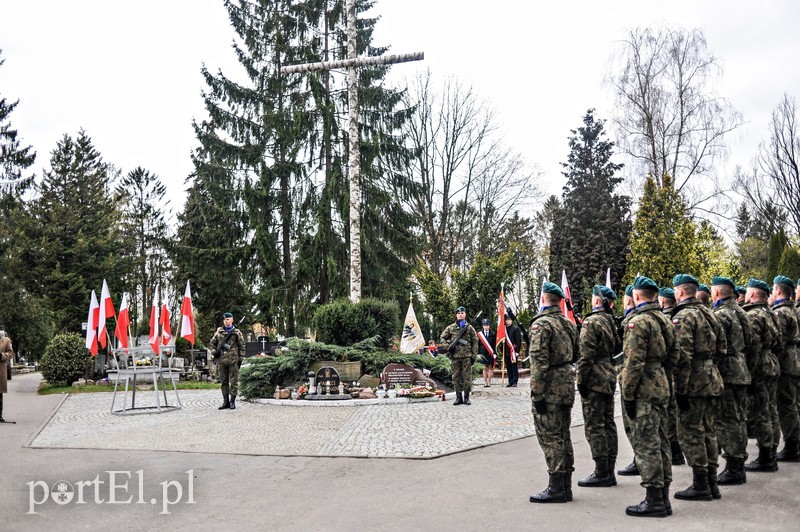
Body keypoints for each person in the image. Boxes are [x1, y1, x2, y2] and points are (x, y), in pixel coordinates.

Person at [621, 276, 676, 517]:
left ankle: (654, 500)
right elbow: (674, 356)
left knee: (647, 444)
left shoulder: (639, 322)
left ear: (636, 296)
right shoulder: (664, 319)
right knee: (662, 441)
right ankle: (663, 497)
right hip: (660, 384)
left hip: (643, 387)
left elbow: (633, 363)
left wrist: (628, 395)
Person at [671, 273, 725, 501]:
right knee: (709, 430)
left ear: (680, 291)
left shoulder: (684, 316)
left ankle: (701, 483)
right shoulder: (709, 313)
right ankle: (712, 482)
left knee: (691, 431)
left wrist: (680, 388)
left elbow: (682, 356)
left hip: (693, 380)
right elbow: (722, 348)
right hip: (711, 377)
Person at [529, 282, 579, 504]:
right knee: (563, 433)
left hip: (549, 386)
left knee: (550, 436)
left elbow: (538, 362)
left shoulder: (541, 325)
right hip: (566, 382)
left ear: (543, 299)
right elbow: (576, 354)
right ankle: (566, 485)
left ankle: (557, 487)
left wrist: (536, 393)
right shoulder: (569, 324)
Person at [710, 276, 753, 485]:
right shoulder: (740, 311)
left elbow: (716, 347)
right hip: (741, 368)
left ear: (717, 292)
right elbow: (751, 342)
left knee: (727, 420)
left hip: (727, 371)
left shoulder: (720, 315)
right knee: (738, 418)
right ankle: (739, 463)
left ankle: (734, 466)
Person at [576, 285, 620, 488]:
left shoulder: (591, 322)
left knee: (595, 425)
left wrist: (581, 380)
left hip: (594, 376)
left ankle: (602, 471)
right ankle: (609, 468)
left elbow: (586, 356)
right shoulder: (610, 320)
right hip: (608, 373)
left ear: (596, 300)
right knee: (608, 422)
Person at [743, 278, 780, 472]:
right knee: (771, 409)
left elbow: (753, 348)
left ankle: (766, 457)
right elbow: (779, 342)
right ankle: (771, 452)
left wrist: (749, 373)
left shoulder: (754, 315)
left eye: (747, 291)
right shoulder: (770, 312)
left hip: (760, 367)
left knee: (761, 412)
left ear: (752, 294)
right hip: (771, 362)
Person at [771, 276, 800, 461]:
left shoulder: (781, 312)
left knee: (786, 406)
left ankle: (791, 446)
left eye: (774, 289)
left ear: (779, 291)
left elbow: (778, 341)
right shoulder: (792, 309)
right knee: (793, 404)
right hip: (794, 359)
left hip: (786, 362)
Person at [658, 287, 684, 466]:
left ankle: (674, 451)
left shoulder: (667, 319)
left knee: (669, 412)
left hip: (671, 372)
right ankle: (676, 451)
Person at [618, 284, 641, 477]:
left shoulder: (634, 323)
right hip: (659, 382)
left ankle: (641, 462)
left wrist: (628, 391)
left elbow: (633, 360)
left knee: (637, 426)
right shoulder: (658, 317)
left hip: (639, 382)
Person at [440, 306, 478, 406]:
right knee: (455, 377)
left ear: (465, 314)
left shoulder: (469, 328)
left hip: (466, 356)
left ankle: (466, 398)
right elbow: (442, 337)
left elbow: (475, 342)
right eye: (458, 313)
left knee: (467, 378)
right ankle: (458, 398)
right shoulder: (451, 327)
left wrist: (473, 356)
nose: (460, 315)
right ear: (456, 315)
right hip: (455, 356)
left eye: (462, 313)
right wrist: (449, 347)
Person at [209, 312, 246, 410]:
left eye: (228, 319)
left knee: (234, 382)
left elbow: (242, 346)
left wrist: (240, 359)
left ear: (232, 320)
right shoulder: (219, 331)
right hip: (221, 361)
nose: (226, 321)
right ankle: (226, 402)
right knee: (223, 382)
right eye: (225, 319)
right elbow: (212, 344)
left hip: (233, 361)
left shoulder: (237, 332)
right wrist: (214, 352)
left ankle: (232, 402)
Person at [502, 313, 523, 387]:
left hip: (513, 351)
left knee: (514, 367)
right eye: (506, 320)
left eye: (509, 319)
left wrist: (517, 351)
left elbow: (518, 341)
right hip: (506, 351)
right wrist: (502, 341)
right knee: (508, 367)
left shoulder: (515, 328)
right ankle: (510, 381)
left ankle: (515, 381)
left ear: (511, 320)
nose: (507, 321)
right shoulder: (503, 329)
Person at [477, 318, 496, 387]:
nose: (486, 326)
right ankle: (485, 382)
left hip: (490, 353)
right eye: (484, 325)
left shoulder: (493, 334)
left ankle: (489, 382)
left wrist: (495, 353)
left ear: (489, 325)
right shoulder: (479, 334)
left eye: (487, 325)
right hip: (483, 354)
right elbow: (477, 345)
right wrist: (478, 353)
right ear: (483, 326)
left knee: (490, 367)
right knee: (484, 368)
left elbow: (494, 345)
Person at [0, 330, 14, 423]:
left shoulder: (6, 340)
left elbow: (11, 354)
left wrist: (1, 356)